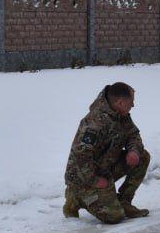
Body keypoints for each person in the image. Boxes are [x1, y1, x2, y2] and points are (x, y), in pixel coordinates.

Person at [63, 82, 151, 223]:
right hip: (83, 177)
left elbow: (133, 135)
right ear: (120, 102)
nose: (133, 106)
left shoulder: (120, 115)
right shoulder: (95, 122)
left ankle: (124, 201)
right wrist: (94, 180)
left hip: (105, 168)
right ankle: (75, 196)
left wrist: (133, 151)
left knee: (142, 157)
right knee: (114, 216)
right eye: (131, 102)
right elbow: (81, 156)